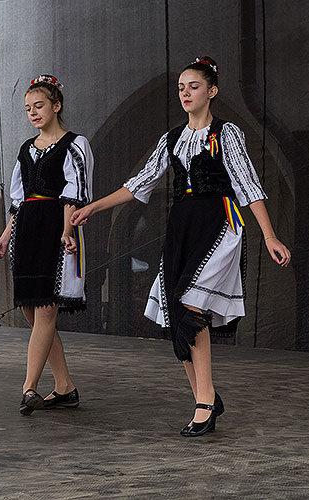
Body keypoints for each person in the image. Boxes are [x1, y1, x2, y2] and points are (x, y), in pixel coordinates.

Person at [71, 57, 291, 437]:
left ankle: (205, 403)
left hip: (219, 222)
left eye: (193, 86)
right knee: (177, 313)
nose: (185, 93)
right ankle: (205, 395)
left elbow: (248, 186)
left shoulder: (227, 134)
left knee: (192, 307)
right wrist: (94, 206)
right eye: (181, 88)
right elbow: (139, 183)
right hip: (181, 226)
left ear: (212, 91)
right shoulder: (172, 138)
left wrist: (269, 235)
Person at [0, 75, 93, 416]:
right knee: (32, 311)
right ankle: (65, 387)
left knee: (47, 308)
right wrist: (5, 236)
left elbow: (73, 195)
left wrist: (66, 232)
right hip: (29, 227)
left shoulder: (75, 144)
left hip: (55, 226)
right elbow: (18, 201)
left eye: (39, 106)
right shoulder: (26, 149)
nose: (33, 113)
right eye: (28, 108)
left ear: (56, 106)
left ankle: (28, 386)